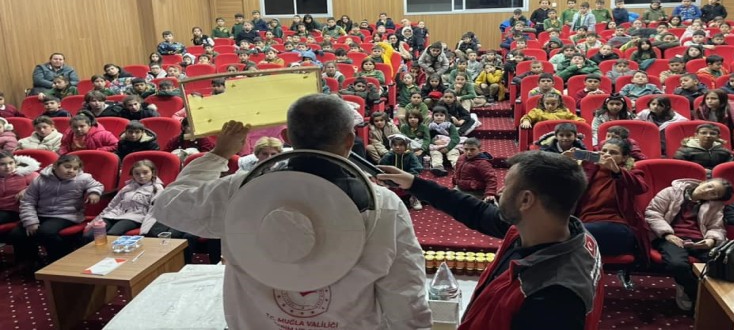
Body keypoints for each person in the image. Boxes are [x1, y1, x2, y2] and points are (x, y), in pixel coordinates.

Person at [152, 95, 431, 329]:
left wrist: (219, 153)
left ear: (285, 137)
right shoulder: (384, 206)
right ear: (349, 141)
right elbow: (406, 295)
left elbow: (168, 206)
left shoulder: (240, 190)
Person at [376, 150, 603, 330]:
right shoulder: (553, 230)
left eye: (508, 185)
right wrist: (414, 183)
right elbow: (476, 212)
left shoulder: (552, 297)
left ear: (526, 200)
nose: (501, 190)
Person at [645, 178, 733, 310]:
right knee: (677, 264)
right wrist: (667, 234)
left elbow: (716, 227)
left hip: (699, 239)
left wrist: (711, 240)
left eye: (714, 193)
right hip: (670, 236)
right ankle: (696, 294)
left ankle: (710, 297)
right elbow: (653, 213)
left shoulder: (715, 205)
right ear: (703, 182)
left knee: (722, 262)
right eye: (709, 186)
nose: (708, 191)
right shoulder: (671, 192)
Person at [9, 154, 103, 264]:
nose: (71, 171)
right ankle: (31, 261)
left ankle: (60, 260)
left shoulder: (83, 178)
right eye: (67, 167)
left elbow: (97, 186)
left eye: (75, 168)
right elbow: (28, 201)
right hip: (41, 213)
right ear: (55, 166)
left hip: (67, 215)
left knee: (45, 232)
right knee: (17, 234)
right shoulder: (40, 179)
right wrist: (31, 221)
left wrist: (94, 193)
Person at [570, 139, 649, 257]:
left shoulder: (629, 172)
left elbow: (641, 188)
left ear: (624, 158)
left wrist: (617, 170)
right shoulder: (589, 170)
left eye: (613, 153)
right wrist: (566, 163)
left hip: (617, 226)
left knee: (572, 234)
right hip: (585, 223)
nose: (607, 155)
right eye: (604, 151)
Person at [83, 160, 163, 240]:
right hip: (113, 215)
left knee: (112, 234)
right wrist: (95, 220)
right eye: (137, 173)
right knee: (89, 235)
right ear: (132, 175)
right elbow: (112, 205)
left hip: (134, 217)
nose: (141, 176)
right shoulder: (127, 187)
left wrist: (146, 231)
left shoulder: (157, 189)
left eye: (145, 173)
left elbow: (153, 212)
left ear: (153, 172)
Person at [0, 152, 40, 224]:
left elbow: (44, 185)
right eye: (2, 164)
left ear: (15, 163)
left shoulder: (24, 174)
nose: (8, 167)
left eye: (11, 163)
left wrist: (27, 190)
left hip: (15, 211)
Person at [520, 93, 585, 129]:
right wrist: (526, 121)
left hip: (561, 136)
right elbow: (528, 117)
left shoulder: (565, 112)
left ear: (558, 103)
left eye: (553, 104)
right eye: (547, 103)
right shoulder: (537, 112)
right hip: (543, 136)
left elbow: (578, 120)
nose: (550, 106)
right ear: (543, 103)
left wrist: (581, 123)